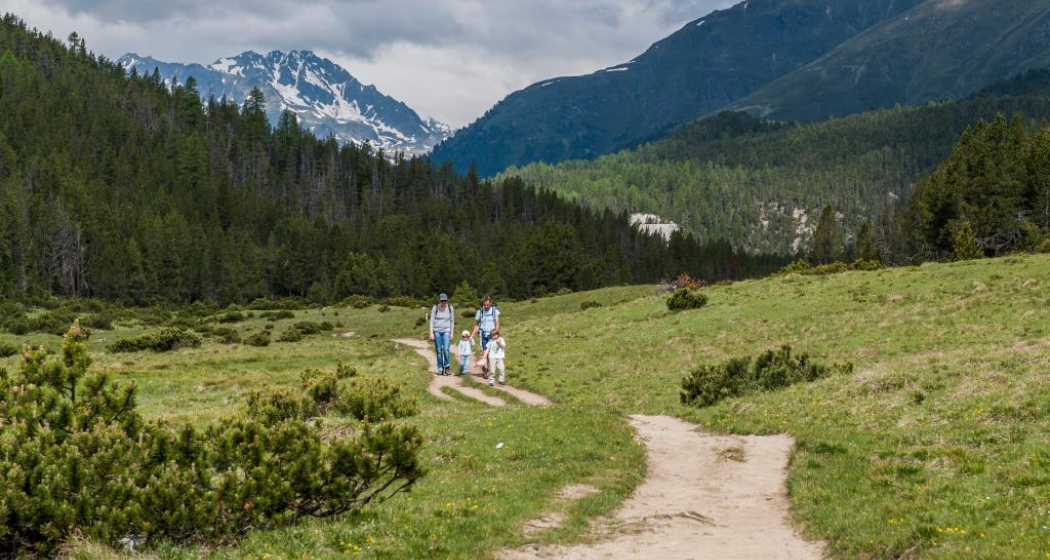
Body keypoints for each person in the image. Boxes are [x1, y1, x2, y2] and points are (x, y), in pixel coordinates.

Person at [470, 295, 501, 373]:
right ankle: (485, 370)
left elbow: (497, 323)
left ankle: (491, 369)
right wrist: (472, 335)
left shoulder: (494, 311)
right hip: (483, 334)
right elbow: (477, 325)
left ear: (490, 303)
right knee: (485, 352)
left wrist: (496, 333)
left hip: (492, 335)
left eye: (487, 304)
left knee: (491, 353)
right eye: (484, 305)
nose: (486, 306)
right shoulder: (480, 312)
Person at [429, 293, 455, 375]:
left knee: (446, 349)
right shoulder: (435, 308)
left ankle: (447, 367)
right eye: (442, 301)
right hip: (437, 331)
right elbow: (431, 321)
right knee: (439, 350)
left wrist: (452, 332)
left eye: (445, 300)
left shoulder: (450, 308)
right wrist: (431, 333)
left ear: (447, 300)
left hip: (446, 330)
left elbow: (452, 321)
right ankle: (440, 368)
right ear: (439, 301)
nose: (443, 302)